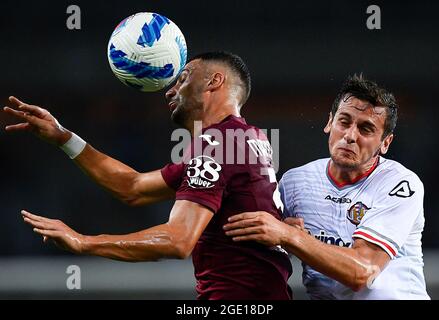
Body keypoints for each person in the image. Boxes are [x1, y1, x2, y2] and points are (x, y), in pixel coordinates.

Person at [3, 51, 292, 300]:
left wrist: (84, 242)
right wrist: (64, 138)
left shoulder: (217, 142)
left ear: (214, 81)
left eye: (183, 78)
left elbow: (178, 240)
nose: (169, 90)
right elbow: (133, 187)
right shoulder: (247, 138)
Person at [224, 74, 430, 299]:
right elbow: (267, 246)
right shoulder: (294, 183)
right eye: (344, 121)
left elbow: (363, 272)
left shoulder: (399, 183)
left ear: (385, 143)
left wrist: (291, 237)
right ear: (330, 122)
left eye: (366, 129)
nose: (350, 136)